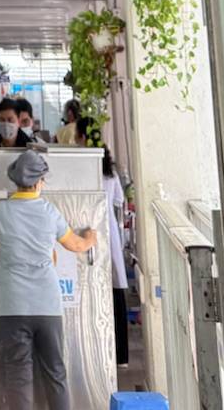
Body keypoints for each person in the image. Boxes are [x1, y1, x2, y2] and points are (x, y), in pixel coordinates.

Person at [0, 150, 97, 410]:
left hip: (12, 306)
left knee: (18, 377)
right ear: (38, 182)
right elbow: (76, 245)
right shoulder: (49, 212)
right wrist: (91, 237)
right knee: (55, 373)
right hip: (47, 306)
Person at [102, 147, 130, 365]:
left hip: (96, 234)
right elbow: (119, 201)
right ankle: (121, 355)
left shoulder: (85, 171)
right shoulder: (110, 174)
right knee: (116, 293)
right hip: (109, 233)